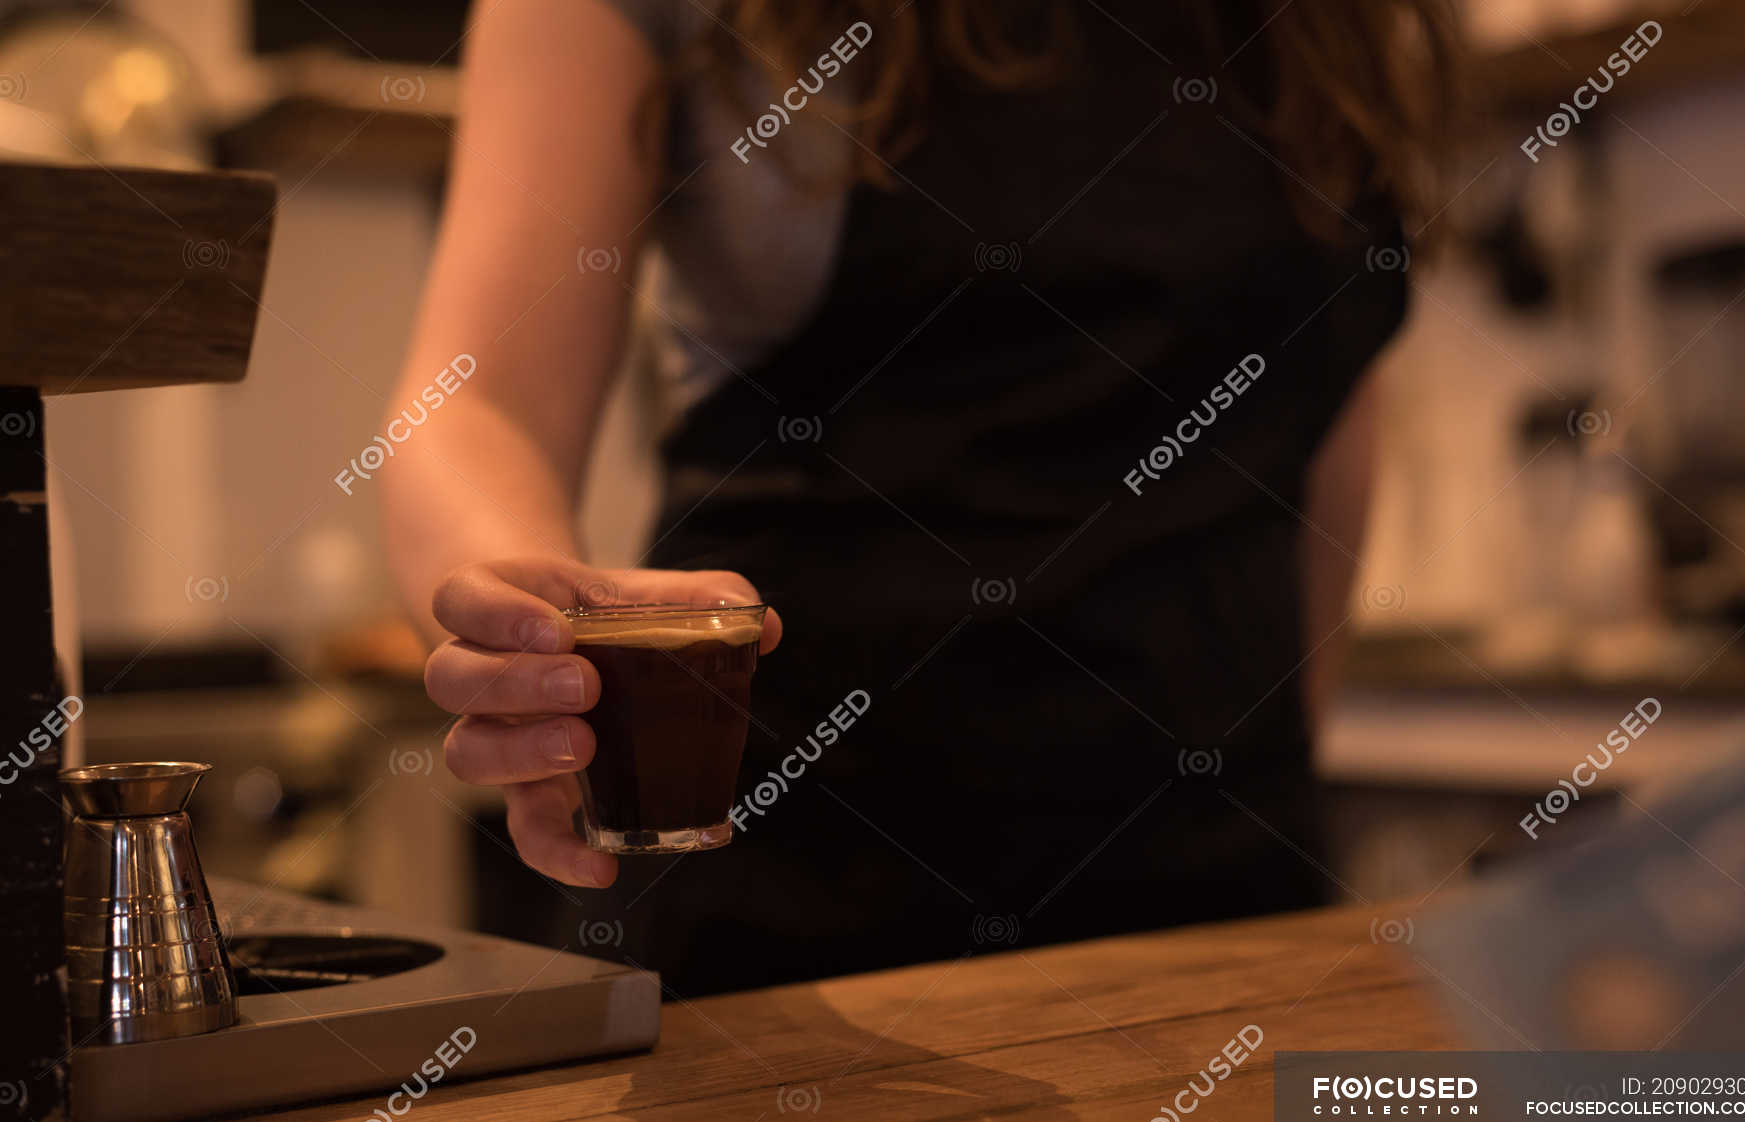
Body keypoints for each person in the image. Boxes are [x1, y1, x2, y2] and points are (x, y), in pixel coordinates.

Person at [382, 0, 1458, 995]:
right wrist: (538, 646)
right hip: (805, 941)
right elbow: (478, 407)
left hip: (1233, 918)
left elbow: (1318, 416)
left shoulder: (1343, 19)